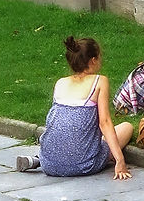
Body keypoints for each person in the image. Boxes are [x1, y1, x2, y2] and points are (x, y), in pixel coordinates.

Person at [16, 36, 132, 178]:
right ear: (93, 60)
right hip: (83, 165)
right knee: (126, 127)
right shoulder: (100, 81)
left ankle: (37, 159)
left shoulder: (60, 83)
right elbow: (105, 123)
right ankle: (102, 157)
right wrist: (120, 161)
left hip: (49, 165)